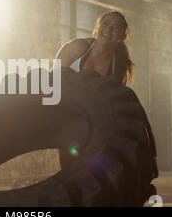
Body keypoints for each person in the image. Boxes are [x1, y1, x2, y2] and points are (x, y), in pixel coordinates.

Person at [54, 10, 134, 168]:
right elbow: (54, 80)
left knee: (92, 168)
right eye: (105, 24)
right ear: (97, 28)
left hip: (94, 121)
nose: (108, 30)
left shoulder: (118, 65)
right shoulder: (77, 47)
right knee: (69, 167)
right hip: (66, 115)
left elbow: (114, 100)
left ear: (121, 38)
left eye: (115, 28)